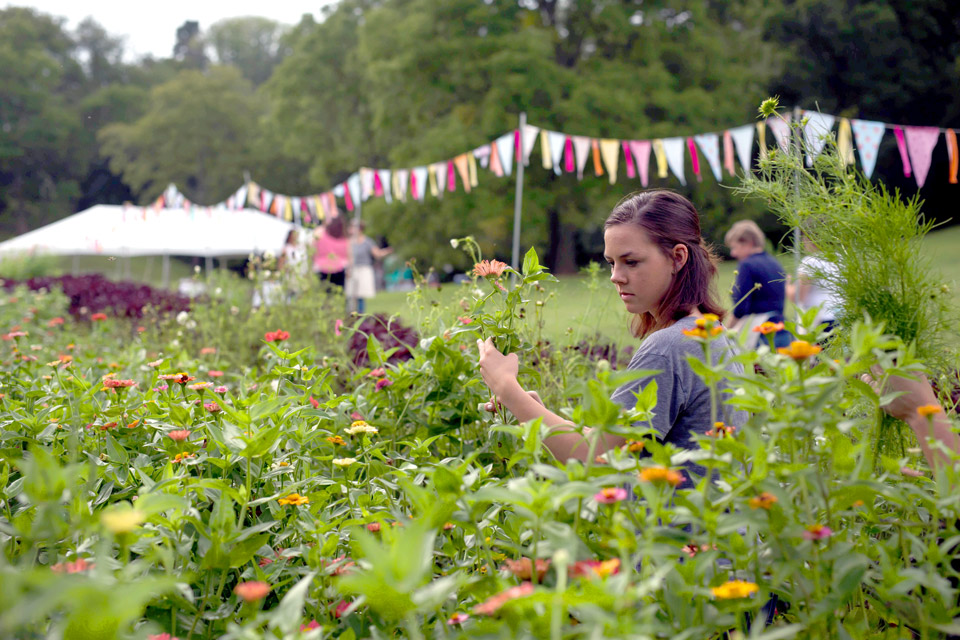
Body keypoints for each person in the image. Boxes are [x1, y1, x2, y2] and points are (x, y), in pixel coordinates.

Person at [477, 190, 748, 487]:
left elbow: (593, 456)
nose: (615, 276)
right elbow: (609, 444)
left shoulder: (670, 347)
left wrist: (505, 386)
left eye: (631, 262)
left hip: (680, 532)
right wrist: (531, 410)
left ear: (677, 258)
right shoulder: (713, 334)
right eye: (611, 262)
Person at [724, 220, 792, 350]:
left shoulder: (747, 265)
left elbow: (741, 308)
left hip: (759, 335)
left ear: (748, 243)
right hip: (781, 330)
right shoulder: (775, 263)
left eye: (734, 247)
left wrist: (726, 331)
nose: (733, 254)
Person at [786, 236, 841, 337]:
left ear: (809, 239)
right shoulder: (840, 258)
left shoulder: (810, 262)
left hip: (821, 321)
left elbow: (798, 297)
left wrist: (787, 285)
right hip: (841, 317)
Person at [346, 220, 393, 314]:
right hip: (351, 269)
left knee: (360, 296)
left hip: (363, 269)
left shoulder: (367, 242)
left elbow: (377, 254)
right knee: (350, 295)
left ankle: (360, 315)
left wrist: (387, 251)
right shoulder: (348, 242)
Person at [313, 216, 349, 289]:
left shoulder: (320, 232)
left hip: (322, 268)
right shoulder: (344, 236)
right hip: (340, 268)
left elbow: (312, 249)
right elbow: (349, 255)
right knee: (338, 294)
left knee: (323, 294)